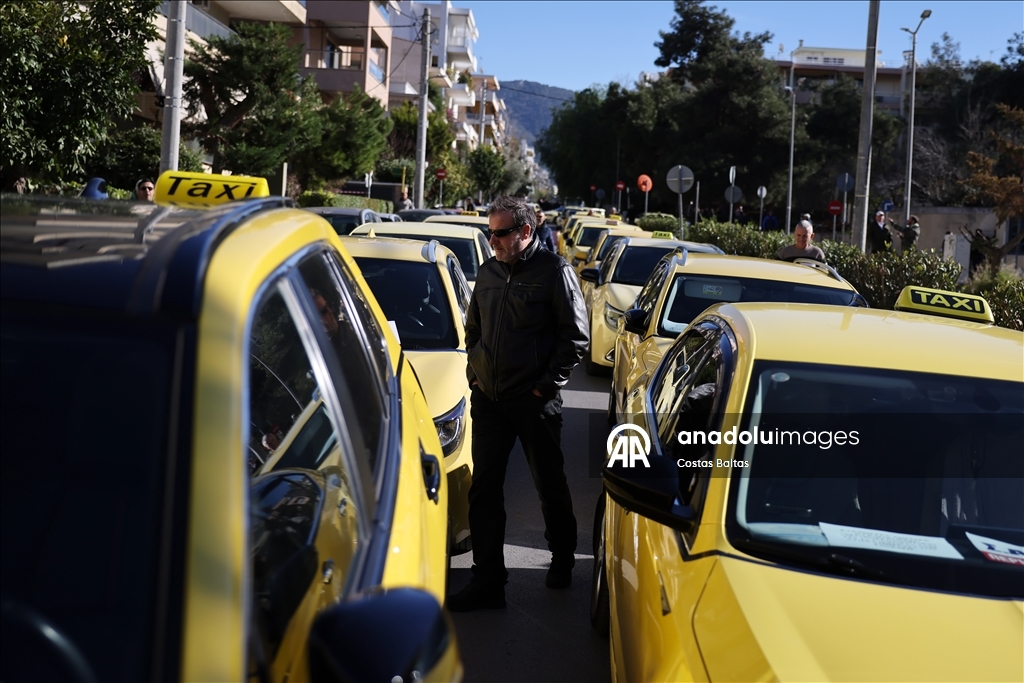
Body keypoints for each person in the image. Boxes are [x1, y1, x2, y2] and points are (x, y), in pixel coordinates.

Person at [447, 196, 589, 612]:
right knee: (484, 492)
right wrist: (475, 373)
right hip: (489, 400)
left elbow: (575, 339)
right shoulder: (489, 271)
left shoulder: (555, 272)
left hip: (533, 403)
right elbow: (473, 326)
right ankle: (488, 581)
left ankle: (562, 557)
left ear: (525, 232)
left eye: (501, 232)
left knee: (550, 485)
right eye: (490, 231)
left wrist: (544, 388)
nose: (493, 240)